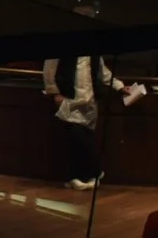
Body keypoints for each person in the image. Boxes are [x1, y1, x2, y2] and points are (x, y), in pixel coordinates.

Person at [40, 55, 126, 189]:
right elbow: (49, 69)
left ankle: (79, 176)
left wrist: (119, 87)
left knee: (81, 141)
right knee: (77, 134)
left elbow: (104, 74)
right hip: (69, 99)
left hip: (88, 101)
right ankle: (95, 171)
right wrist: (54, 92)